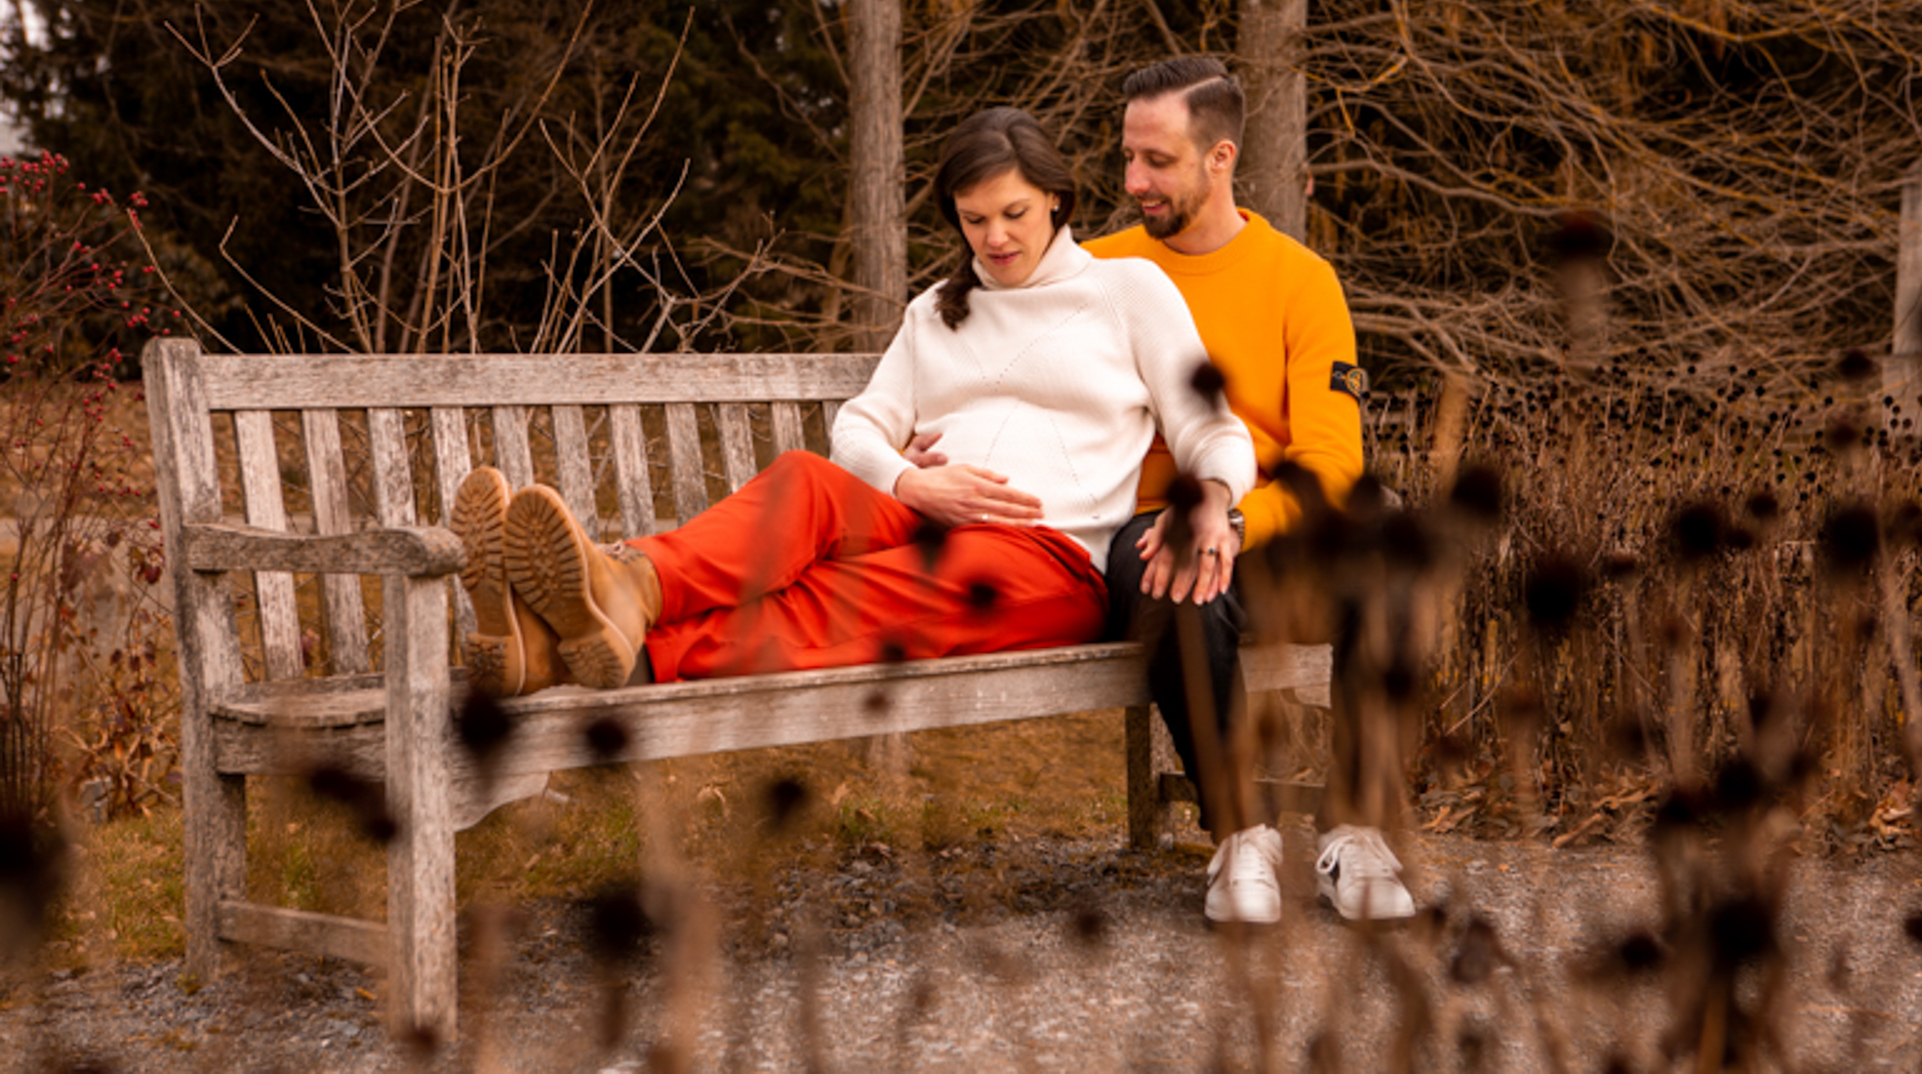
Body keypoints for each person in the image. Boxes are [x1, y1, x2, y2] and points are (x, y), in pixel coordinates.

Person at [449, 107, 1255, 709]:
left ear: (1055, 198)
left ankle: (585, 646)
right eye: (974, 221)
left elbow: (1210, 426)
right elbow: (858, 429)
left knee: (840, 596)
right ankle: (627, 585)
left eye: (1014, 214)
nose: (996, 239)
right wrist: (910, 484)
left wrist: (1215, 500)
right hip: (919, 513)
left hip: (1043, 557)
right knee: (805, 479)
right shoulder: (937, 308)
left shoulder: (1127, 290)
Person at [903, 59, 1410, 924]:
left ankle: (1356, 829)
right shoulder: (1097, 270)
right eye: (1127, 156)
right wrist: (927, 439)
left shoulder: (1301, 281)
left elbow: (1332, 464)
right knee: (1173, 574)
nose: (1133, 180)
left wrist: (1235, 520)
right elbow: (997, 362)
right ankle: (1240, 834)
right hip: (1146, 529)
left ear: (1220, 157)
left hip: (1270, 525)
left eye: (1158, 161)